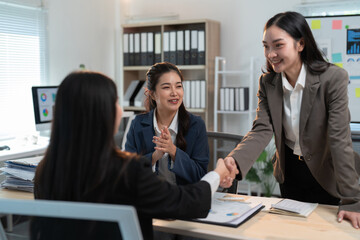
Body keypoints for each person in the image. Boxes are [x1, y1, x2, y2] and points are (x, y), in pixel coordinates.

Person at [31, 71, 231, 240]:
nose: (121, 109)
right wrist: (218, 173)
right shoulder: (127, 172)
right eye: (116, 102)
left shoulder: (46, 170)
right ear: (104, 114)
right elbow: (187, 203)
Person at [220, 11, 360, 229]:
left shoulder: (333, 79)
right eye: (266, 46)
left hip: (328, 172)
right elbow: (261, 129)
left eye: (278, 45)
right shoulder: (268, 82)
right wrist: (234, 161)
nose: (270, 53)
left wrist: (352, 200)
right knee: (292, 230)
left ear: (300, 44)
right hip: (290, 172)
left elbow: (339, 140)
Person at [125, 62, 210, 185]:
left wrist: (173, 151)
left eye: (178, 86)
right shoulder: (137, 124)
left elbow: (200, 175)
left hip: (182, 198)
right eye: (166, 87)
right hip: (149, 197)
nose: (174, 93)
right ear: (152, 94)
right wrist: (154, 157)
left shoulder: (196, 125)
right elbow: (128, 171)